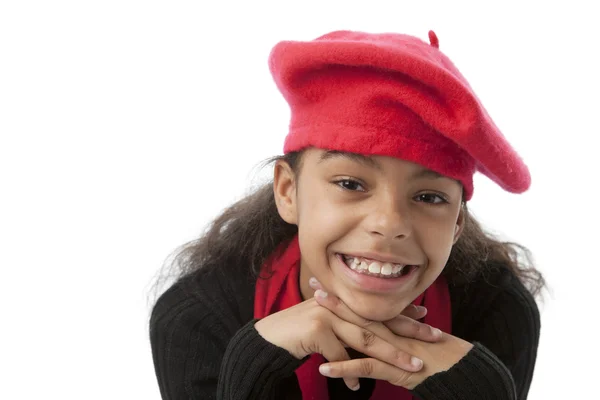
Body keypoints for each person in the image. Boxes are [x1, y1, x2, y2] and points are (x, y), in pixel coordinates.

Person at [149, 29, 544, 400]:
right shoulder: (198, 316)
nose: (389, 224)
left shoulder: (496, 309)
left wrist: (478, 388)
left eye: (428, 196)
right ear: (288, 192)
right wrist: (252, 365)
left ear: (457, 223)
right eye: (351, 184)